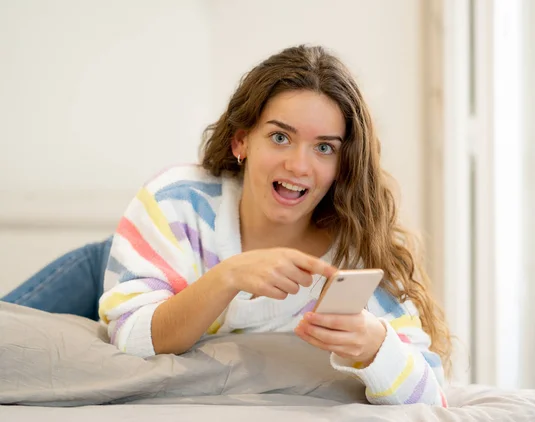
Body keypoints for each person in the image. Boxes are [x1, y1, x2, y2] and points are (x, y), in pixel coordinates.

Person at [2, 45, 451, 406]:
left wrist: (376, 345)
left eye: (325, 148)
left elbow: (432, 394)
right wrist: (230, 275)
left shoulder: (356, 251)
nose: (299, 165)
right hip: (132, 263)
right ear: (242, 141)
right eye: (280, 137)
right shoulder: (178, 200)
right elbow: (135, 338)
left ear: (343, 163)